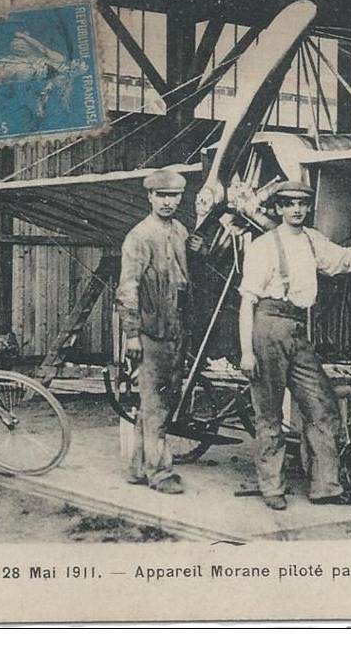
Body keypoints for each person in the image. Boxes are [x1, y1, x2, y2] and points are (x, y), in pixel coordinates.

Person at [238, 180, 351, 510]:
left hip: (299, 329)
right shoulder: (263, 245)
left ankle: (326, 486)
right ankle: (272, 487)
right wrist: (246, 351)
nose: (297, 209)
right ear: (279, 209)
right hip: (268, 326)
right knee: (268, 414)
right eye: (289, 204)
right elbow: (247, 302)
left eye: (302, 204)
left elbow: (348, 258)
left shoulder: (313, 241)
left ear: (308, 207)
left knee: (323, 406)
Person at [115, 169, 195, 495]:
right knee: (155, 402)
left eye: (173, 196)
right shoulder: (140, 236)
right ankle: (159, 473)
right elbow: (127, 288)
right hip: (151, 330)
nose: (167, 202)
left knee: (159, 400)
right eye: (161, 195)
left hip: (175, 327)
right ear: (150, 197)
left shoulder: (180, 231)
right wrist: (132, 334)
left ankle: (137, 466)